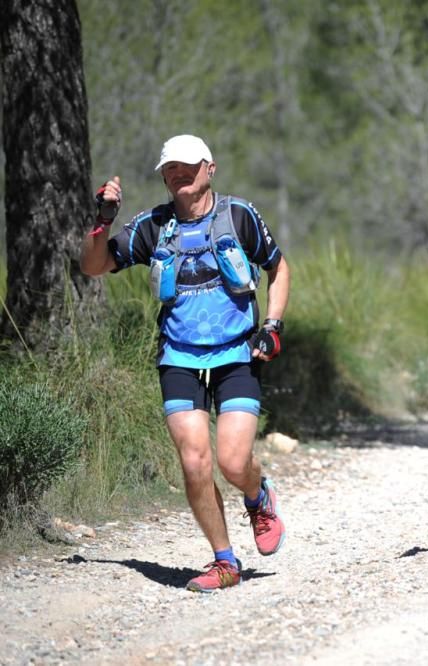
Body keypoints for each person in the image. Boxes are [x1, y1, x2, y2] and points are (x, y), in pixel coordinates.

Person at [81, 134, 291, 592]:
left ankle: (258, 497)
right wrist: (102, 221)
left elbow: (278, 267)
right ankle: (224, 562)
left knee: (233, 462)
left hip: (237, 351)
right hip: (178, 356)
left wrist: (272, 325)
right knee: (195, 462)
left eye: (187, 165)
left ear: (209, 168)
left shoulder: (238, 215)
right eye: (169, 167)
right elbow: (94, 266)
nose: (178, 173)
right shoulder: (152, 226)